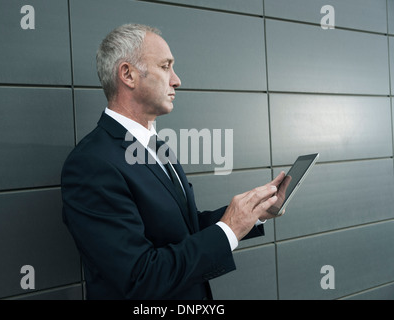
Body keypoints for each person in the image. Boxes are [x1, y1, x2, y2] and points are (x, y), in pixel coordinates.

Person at [61, 23, 287, 300]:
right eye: (165, 66)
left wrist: (252, 213)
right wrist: (228, 229)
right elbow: (139, 277)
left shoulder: (157, 147)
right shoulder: (90, 165)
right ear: (128, 75)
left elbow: (182, 230)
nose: (177, 80)